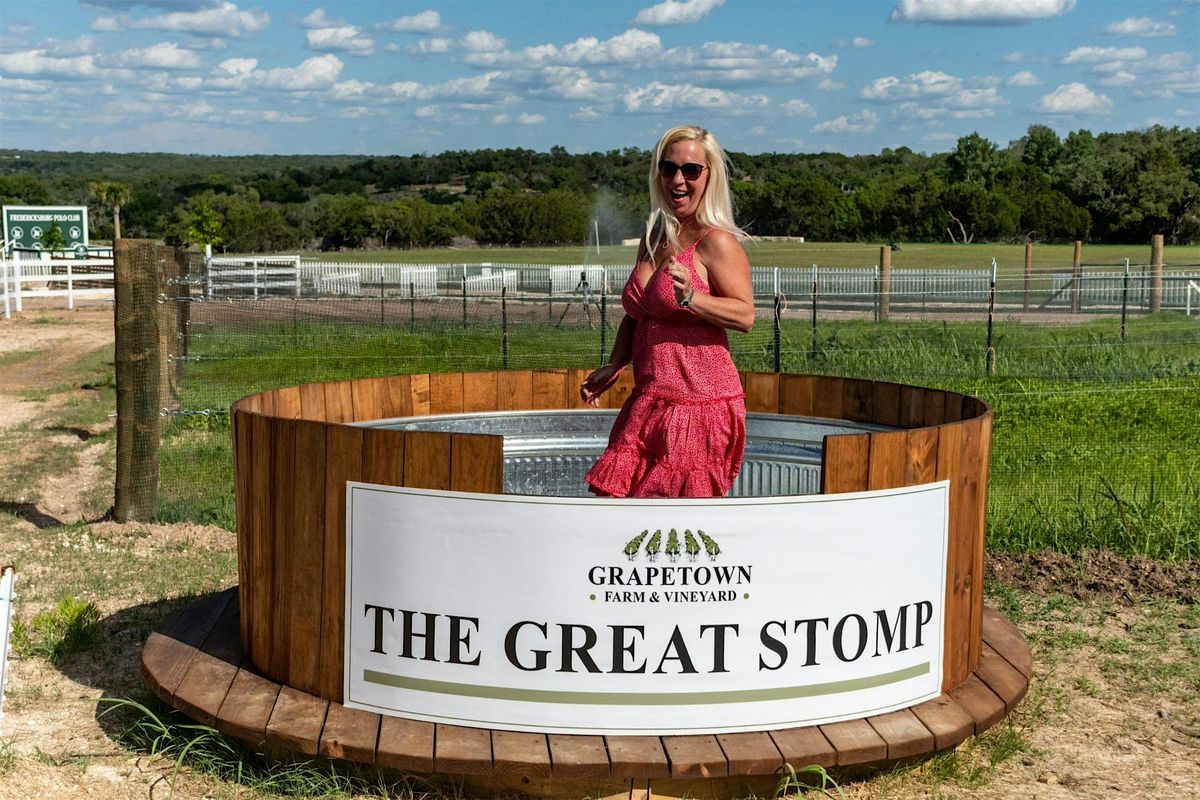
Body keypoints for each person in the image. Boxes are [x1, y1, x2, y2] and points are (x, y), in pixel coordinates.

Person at [581, 125, 754, 498]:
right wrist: (615, 362)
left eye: (691, 170)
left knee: (673, 522)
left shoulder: (717, 242)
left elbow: (744, 315)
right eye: (668, 168)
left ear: (709, 177)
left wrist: (693, 297)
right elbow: (640, 313)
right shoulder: (654, 238)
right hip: (650, 399)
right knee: (616, 504)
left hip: (698, 404)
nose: (678, 179)